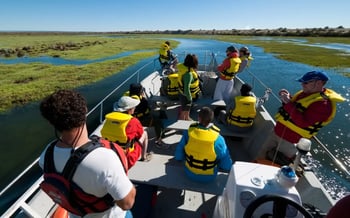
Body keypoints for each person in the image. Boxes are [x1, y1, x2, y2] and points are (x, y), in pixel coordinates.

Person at [39, 89, 136, 217]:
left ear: (51, 122)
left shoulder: (46, 155)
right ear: (85, 111)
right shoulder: (105, 159)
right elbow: (127, 204)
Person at [257, 71, 345, 165]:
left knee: (275, 164)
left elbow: (303, 122)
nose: (302, 85)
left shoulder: (323, 105)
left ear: (319, 83)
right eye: (302, 82)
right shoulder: (306, 93)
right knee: (261, 155)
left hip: (290, 141)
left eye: (306, 82)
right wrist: (287, 98)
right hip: (277, 132)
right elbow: (296, 108)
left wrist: (288, 103)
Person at [175, 107, 233, 182]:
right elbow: (227, 166)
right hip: (209, 177)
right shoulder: (218, 138)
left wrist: (181, 158)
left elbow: (178, 155)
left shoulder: (188, 133)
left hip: (189, 172)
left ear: (198, 118)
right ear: (211, 121)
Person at [101, 96, 152, 168]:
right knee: (144, 133)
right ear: (129, 110)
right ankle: (143, 157)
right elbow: (140, 134)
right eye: (133, 107)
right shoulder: (133, 121)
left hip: (109, 153)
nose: (134, 108)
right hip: (127, 158)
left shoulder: (108, 120)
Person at [177, 54, 200, 120]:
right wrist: (190, 98)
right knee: (184, 110)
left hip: (181, 93)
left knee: (187, 108)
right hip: (186, 95)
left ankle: (187, 117)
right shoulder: (188, 74)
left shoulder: (183, 69)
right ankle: (182, 120)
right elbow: (186, 89)